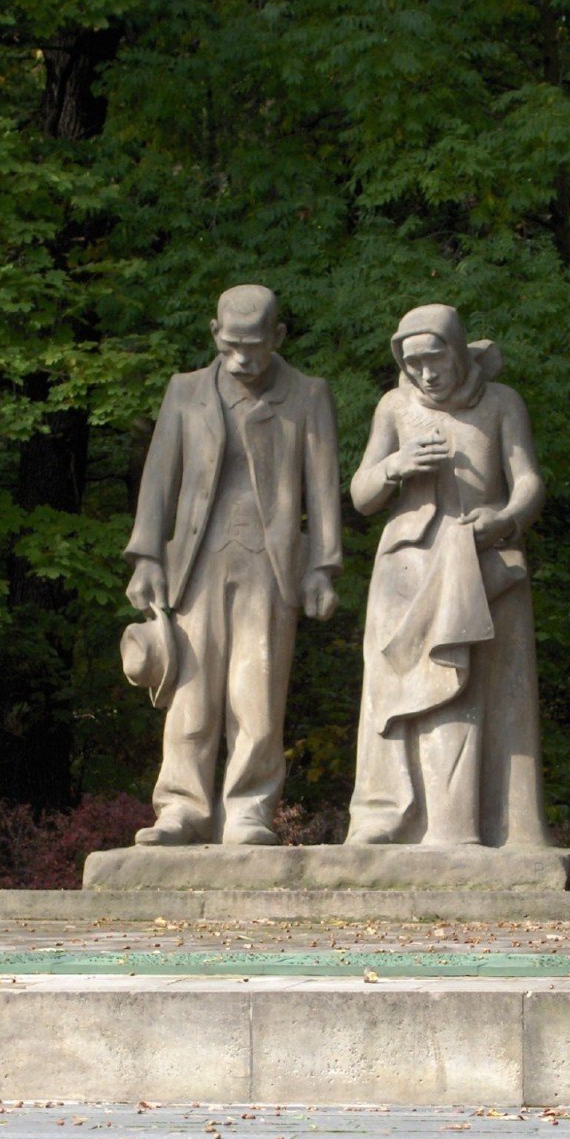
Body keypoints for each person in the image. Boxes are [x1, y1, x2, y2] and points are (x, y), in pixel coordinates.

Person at [124, 284, 341, 845]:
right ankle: (182, 807)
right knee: (190, 690)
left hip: (272, 565)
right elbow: (158, 481)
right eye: (232, 345)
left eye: (255, 346)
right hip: (195, 562)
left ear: (278, 337)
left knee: (258, 691)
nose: (243, 358)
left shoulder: (308, 395)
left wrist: (324, 565)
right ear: (215, 334)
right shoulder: (185, 392)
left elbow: (322, 490)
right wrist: (147, 556)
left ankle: (248, 809)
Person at [346, 303, 553, 848]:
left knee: (476, 693)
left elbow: (528, 479)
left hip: (483, 563)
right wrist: (396, 465)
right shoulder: (394, 408)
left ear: (459, 351)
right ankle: (389, 813)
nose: (426, 374)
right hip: (407, 568)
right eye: (413, 364)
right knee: (393, 694)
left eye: (435, 360)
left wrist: (505, 518)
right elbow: (362, 494)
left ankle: (470, 827)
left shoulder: (502, 403)